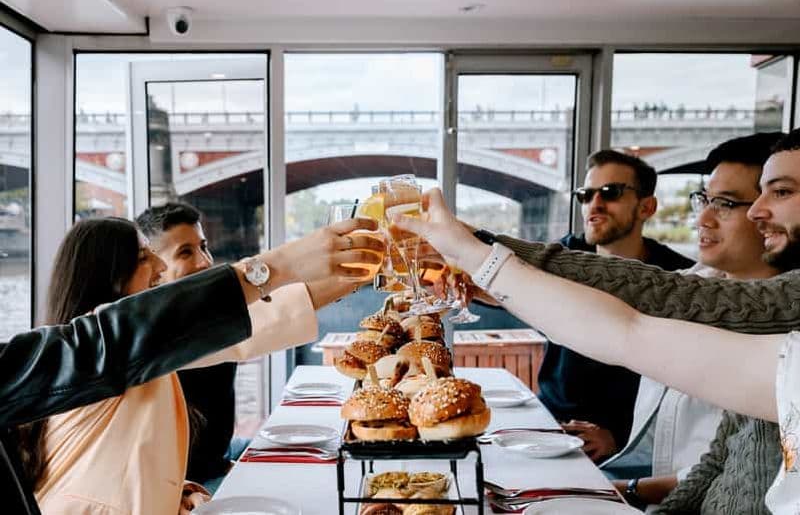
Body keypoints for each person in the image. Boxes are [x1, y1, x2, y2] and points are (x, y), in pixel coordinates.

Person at [393, 129, 800, 513]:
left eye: (781, 192)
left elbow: (631, 328)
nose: (759, 212)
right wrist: (486, 262)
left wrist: (481, 253)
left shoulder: (775, 304)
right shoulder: (709, 284)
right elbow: (715, 462)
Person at [19, 215, 382, 515]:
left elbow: (262, 320)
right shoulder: (111, 349)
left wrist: (177, 491)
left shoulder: (131, 350)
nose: (159, 266)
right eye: (145, 258)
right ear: (110, 275)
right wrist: (286, 264)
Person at [601, 133, 785, 513]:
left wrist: (627, 489)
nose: (702, 218)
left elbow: (724, 470)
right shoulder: (696, 283)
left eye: (726, 204)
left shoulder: (780, 334)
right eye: (704, 199)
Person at [136, 202, 353, 492]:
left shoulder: (209, 316)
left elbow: (276, 307)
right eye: (185, 252)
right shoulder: (151, 338)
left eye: (204, 247)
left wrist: (354, 275)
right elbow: (269, 317)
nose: (204, 262)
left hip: (221, 459)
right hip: (187, 486)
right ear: (155, 268)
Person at [541, 150, 692, 463]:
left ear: (646, 207)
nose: (594, 204)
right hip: (546, 425)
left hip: (621, 450)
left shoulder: (677, 278)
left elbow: (684, 386)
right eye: (585, 195)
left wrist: (620, 436)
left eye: (610, 193)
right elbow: (506, 272)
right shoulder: (566, 256)